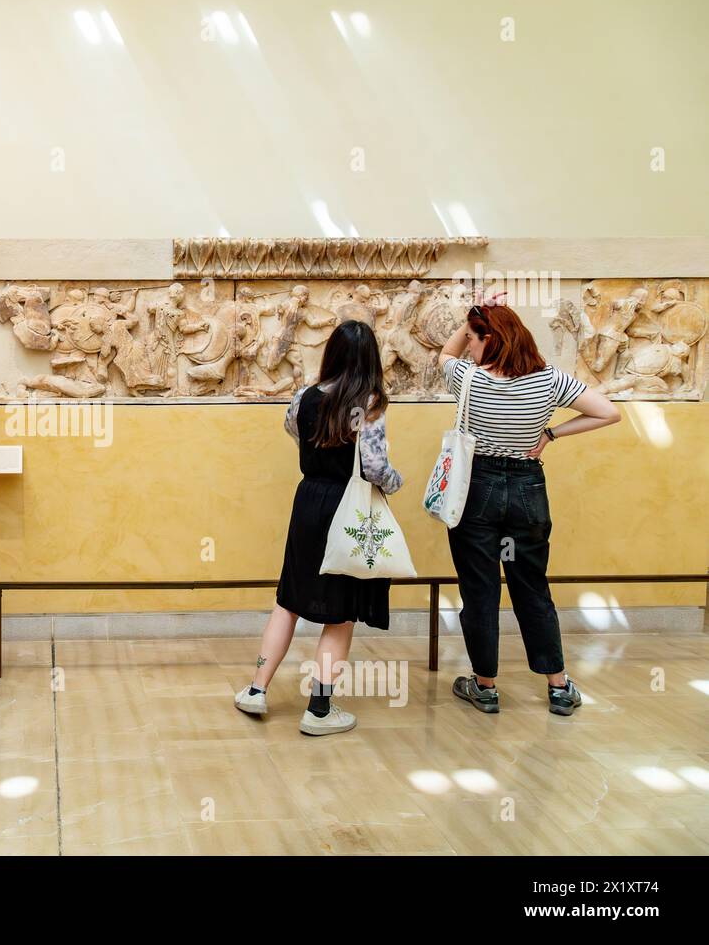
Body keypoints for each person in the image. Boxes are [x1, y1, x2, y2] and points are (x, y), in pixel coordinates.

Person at [438, 291, 620, 716]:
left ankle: (484, 686)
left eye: (475, 338)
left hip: (476, 488)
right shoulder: (549, 379)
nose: (469, 346)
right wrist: (551, 434)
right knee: (532, 586)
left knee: (479, 590)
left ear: (486, 338)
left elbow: (446, 352)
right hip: (526, 489)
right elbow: (608, 412)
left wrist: (471, 318)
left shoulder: (468, 377)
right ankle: (557, 685)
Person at [234, 320, 404, 736]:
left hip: (308, 501)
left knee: (288, 600)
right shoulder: (371, 403)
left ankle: (256, 690)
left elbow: (294, 431)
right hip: (345, 506)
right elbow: (376, 467)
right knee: (340, 615)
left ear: (331, 353)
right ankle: (320, 709)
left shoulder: (303, 397)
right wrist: (396, 482)